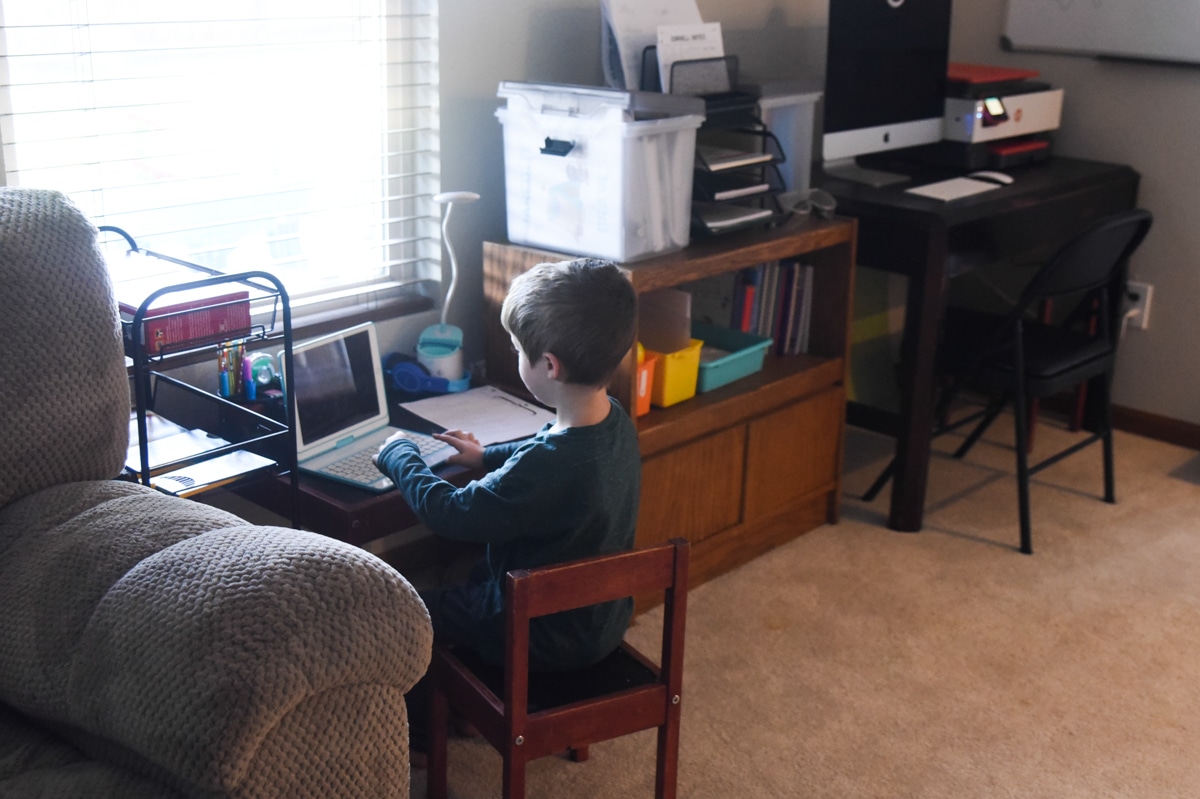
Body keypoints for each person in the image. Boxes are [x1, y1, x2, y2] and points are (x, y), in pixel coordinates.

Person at [374, 256, 641, 759]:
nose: (517, 358)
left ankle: (425, 732)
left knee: (411, 610)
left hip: (536, 635)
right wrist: (485, 454)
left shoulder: (548, 464)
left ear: (550, 366)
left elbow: (450, 513)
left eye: (519, 350)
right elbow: (544, 447)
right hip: (597, 622)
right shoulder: (614, 422)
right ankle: (469, 706)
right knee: (474, 575)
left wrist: (400, 456)